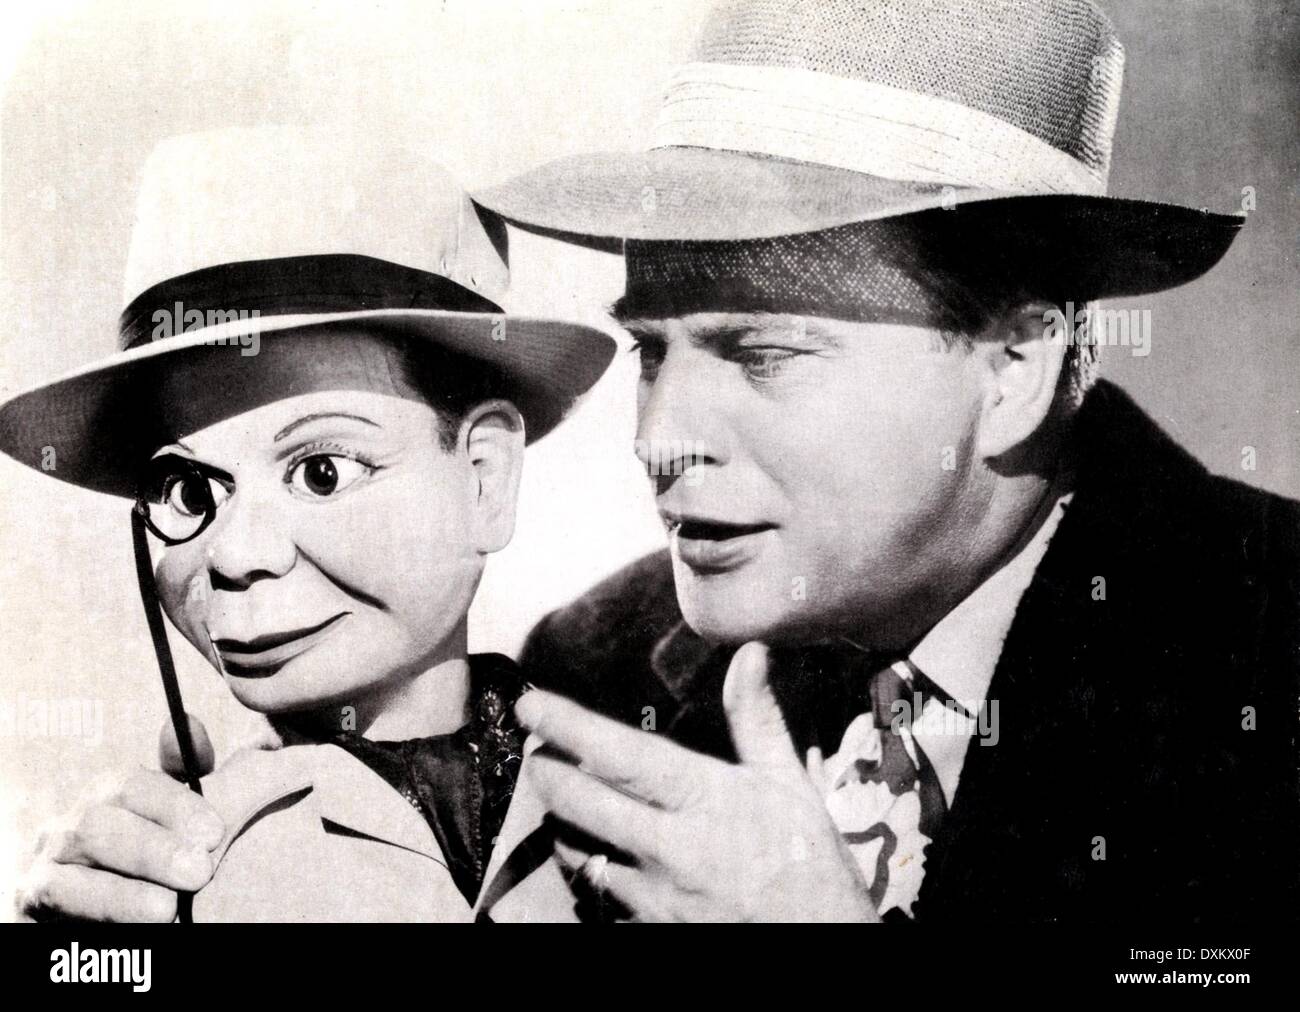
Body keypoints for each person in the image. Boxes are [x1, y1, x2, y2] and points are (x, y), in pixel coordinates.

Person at [470, 0, 1300, 922]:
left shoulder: (1271, 662)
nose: (656, 437)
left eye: (763, 354)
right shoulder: (597, 671)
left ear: (1013, 368)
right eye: (651, 351)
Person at [4, 126, 614, 921]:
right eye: (189, 491)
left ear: (483, 477)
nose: (236, 554)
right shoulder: (182, 875)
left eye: (321, 472)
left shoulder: (654, 791)